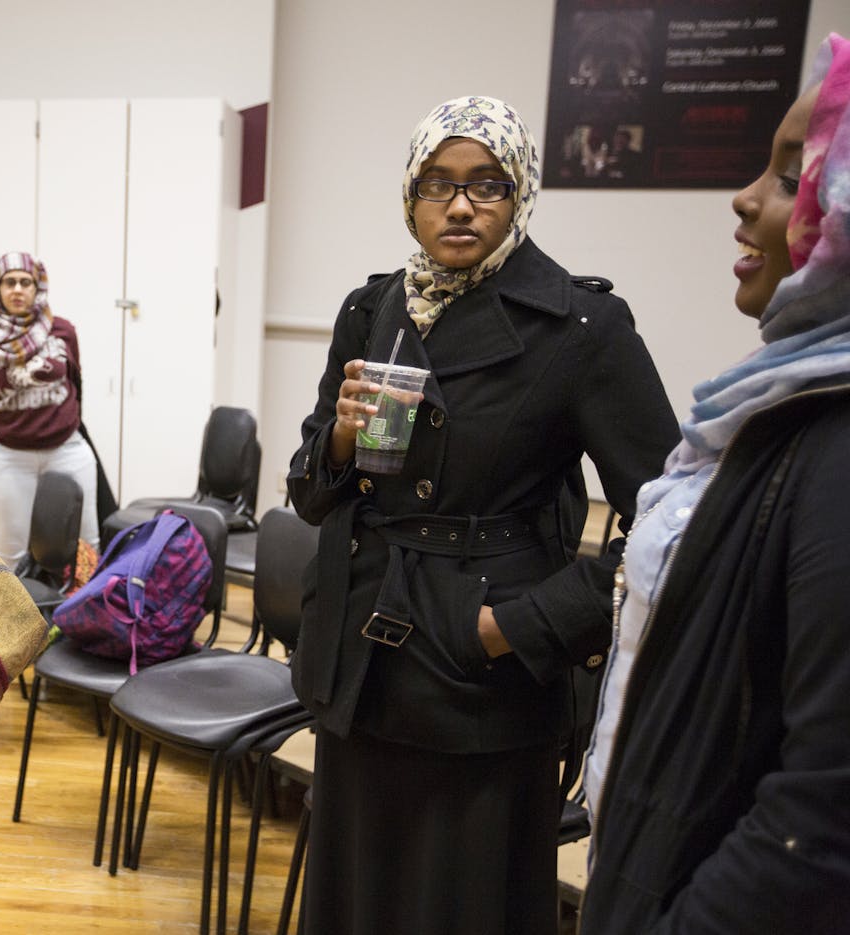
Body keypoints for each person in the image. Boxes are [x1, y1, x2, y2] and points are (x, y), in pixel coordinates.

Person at [285, 95, 678, 934]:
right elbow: (311, 493)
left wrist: (518, 624)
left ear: (521, 193)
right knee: (359, 900)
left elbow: (675, 523)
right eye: (438, 184)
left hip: (481, 683)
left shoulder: (581, 325)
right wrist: (344, 440)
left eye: (487, 184)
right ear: (411, 195)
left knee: (462, 907)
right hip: (362, 666)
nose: (460, 205)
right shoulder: (373, 309)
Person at [581, 33, 850, 934]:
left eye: (786, 176)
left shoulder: (838, 446)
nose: (741, 199)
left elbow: (819, 822)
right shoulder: (779, 407)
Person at [0, 251, 113, 568]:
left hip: (67, 451)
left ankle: (84, 616)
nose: (17, 289)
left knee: (87, 548)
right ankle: (18, 618)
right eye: (9, 283)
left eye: (25, 282)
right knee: (8, 556)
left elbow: (76, 384)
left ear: (38, 289)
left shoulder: (63, 332)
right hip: (7, 459)